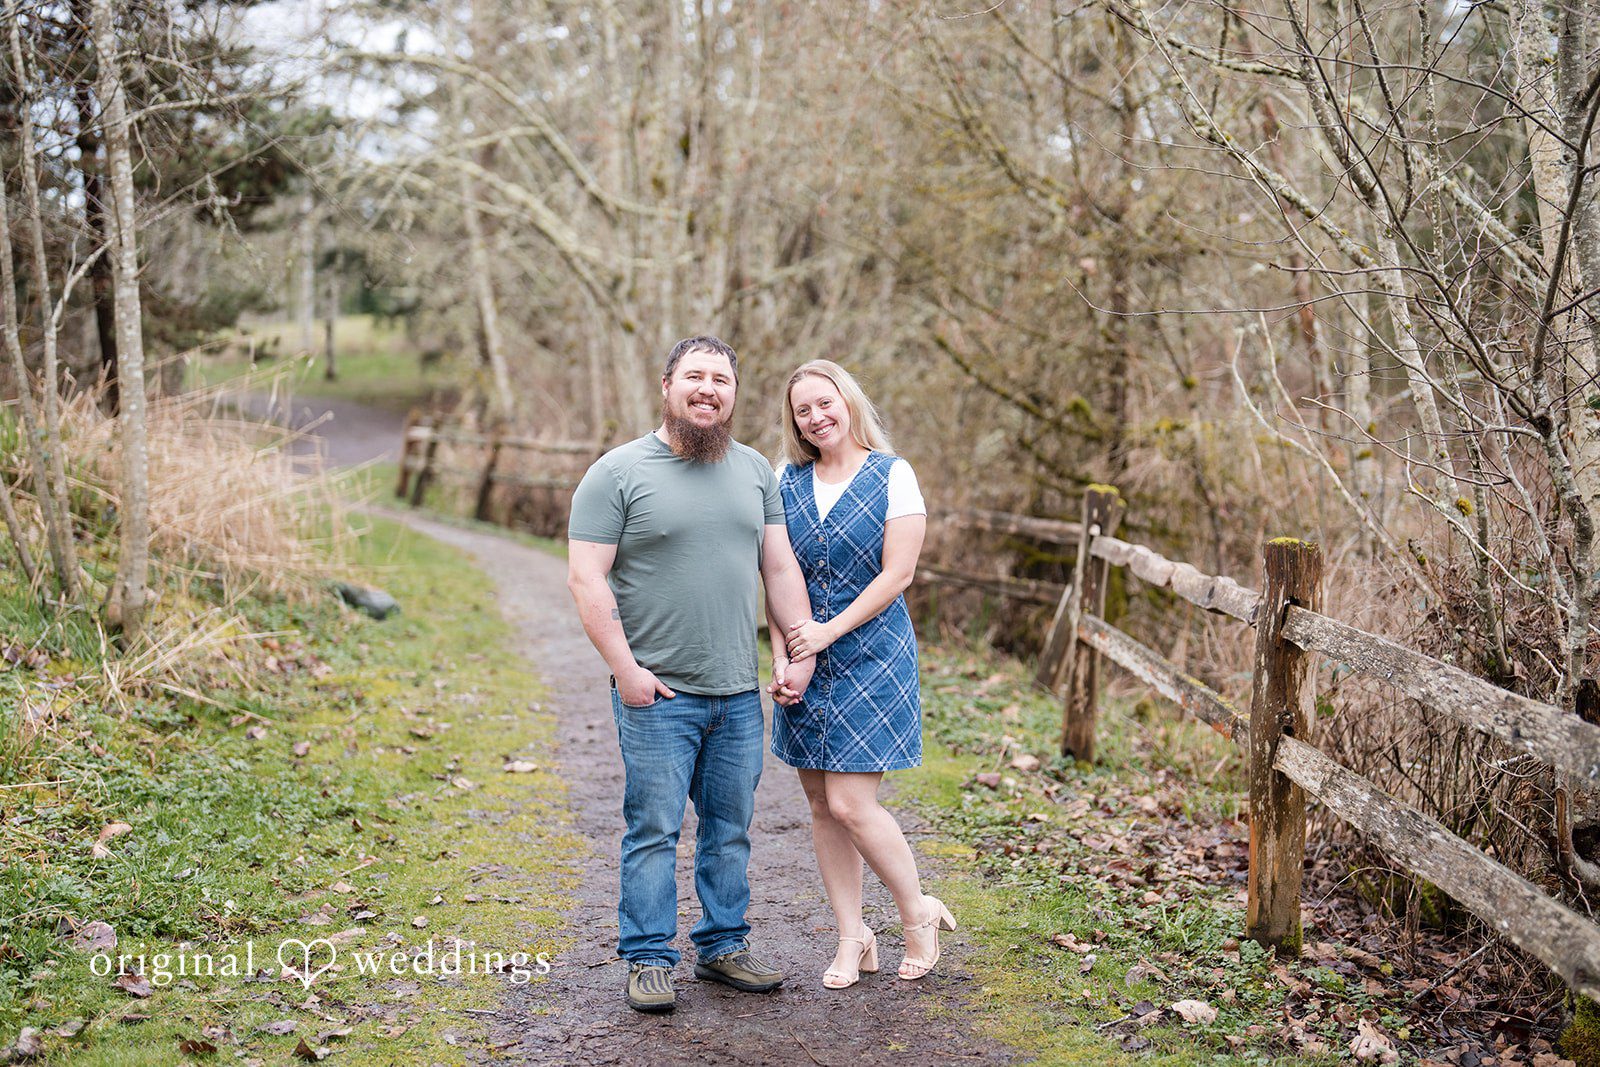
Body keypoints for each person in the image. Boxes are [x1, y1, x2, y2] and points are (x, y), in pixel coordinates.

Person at [566, 336, 816, 1014]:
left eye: (722, 380)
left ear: (734, 394)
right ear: (668, 384)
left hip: (736, 693)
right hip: (657, 694)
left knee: (730, 825)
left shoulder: (756, 471)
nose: (710, 389)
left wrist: (796, 652)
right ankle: (648, 956)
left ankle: (723, 944)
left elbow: (780, 567)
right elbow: (587, 578)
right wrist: (625, 670)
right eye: (696, 376)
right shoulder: (616, 472)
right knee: (653, 827)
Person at [768, 359, 956, 990]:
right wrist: (783, 655)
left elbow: (896, 575)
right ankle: (853, 935)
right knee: (821, 805)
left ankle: (915, 914)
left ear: (848, 401)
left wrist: (825, 633)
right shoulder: (784, 481)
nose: (817, 417)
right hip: (803, 658)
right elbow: (773, 576)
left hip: (872, 656)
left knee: (852, 802)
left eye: (826, 403)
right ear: (793, 422)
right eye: (803, 410)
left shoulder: (892, 476)